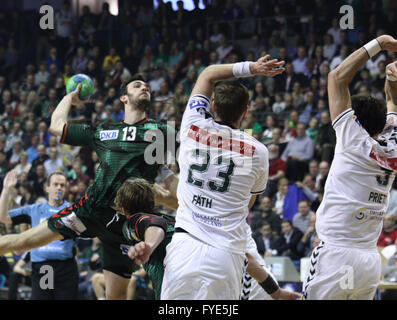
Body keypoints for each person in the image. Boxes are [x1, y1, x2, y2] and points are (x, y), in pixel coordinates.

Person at [0, 77, 179, 300]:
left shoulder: (163, 132)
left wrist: (163, 185)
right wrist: (69, 98)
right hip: (91, 211)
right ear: (123, 97)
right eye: (137, 85)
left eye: (147, 86)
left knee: (116, 295)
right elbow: (56, 126)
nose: (144, 87)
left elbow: (176, 195)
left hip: (129, 223)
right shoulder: (103, 130)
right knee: (22, 241)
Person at [160, 55, 299, 300]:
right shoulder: (258, 151)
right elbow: (248, 204)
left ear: (213, 106)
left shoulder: (192, 125)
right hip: (226, 254)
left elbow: (208, 74)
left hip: (184, 247)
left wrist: (253, 68)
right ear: (245, 111)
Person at [303, 35, 397, 300]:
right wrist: (392, 79)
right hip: (369, 259)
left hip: (335, 254)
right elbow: (395, 104)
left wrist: (379, 43)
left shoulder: (350, 136)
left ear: (353, 118)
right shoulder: (392, 143)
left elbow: (336, 78)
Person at [0, 169, 78, 300]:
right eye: (55, 184)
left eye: (62, 185)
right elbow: (3, 216)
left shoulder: (74, 210)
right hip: (44, 267)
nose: (59, 188)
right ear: (47, 188)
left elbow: (87, 232)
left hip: (66, 268)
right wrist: (7, 189)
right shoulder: (34, 209)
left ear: (66, 189)